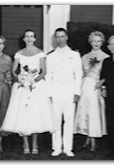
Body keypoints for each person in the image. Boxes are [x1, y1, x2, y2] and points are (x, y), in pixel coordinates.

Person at [0, 29, 56, 154]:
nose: (29, 39)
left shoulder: (40, 53)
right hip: (22, 86)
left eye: (31, 36)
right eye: (27, 36)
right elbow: (14, 70)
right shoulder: (19, 53)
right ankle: (25, 144)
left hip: (36, 87)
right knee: (23, 114)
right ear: (24, 39)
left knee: (35, 114)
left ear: (35, 39)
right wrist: (21, 78)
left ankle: (35, 144)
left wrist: (33, 81)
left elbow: (44, 71)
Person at [46, 28, 82, 157]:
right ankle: (56, 147)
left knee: (69, 119)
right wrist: (49, 94)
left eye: (62, 36)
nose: (60, 39)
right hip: (55, 93)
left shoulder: (74, 55)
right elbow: (48, 76)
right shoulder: (50, 56)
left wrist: (77, 92)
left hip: (70, 92)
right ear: (55, 39)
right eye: (57, 37)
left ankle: (68, 148)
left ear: (66, 37)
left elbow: (78, 75)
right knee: (56, 120)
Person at [73, 31, 109, 152]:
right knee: (85, 112)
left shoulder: (105, 57)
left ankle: (93, 140)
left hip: (95, 87)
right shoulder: (84, 57)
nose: (96, 43)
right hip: (84, 87)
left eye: (98, 41)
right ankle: (88, 137)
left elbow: (107, 75)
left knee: (93, 112)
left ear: (102, 42)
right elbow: (80, 73)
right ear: (90, 42)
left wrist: (102, 85)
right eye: (94, 41)